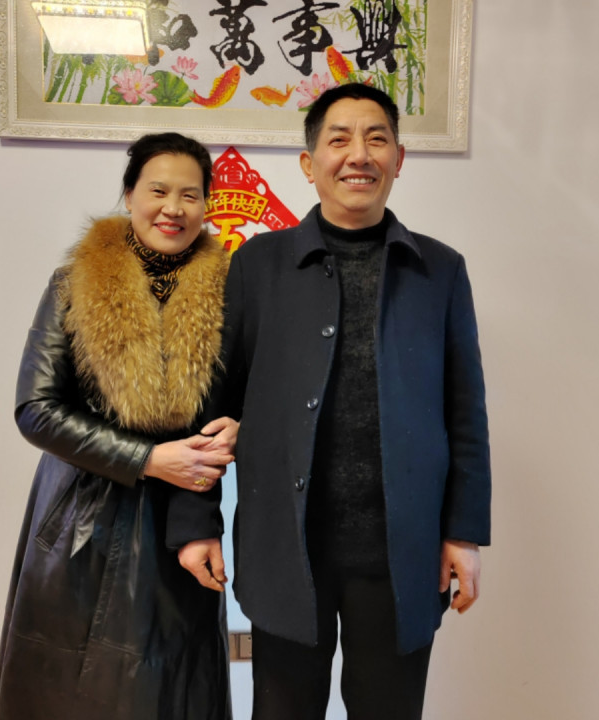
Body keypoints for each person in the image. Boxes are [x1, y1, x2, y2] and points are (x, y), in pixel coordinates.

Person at [172, 83, 491, 719]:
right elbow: (212, 403)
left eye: (377, 139)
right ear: (308, 162)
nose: (358, 155)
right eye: (338, 139)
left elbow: (465, 413)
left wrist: (463, 532)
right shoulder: (257, 265)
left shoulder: (440, 271)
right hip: (286, 548)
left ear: (399, 159)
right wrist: (196, 522)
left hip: (400, 551)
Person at [0, 132, 236, 720]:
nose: (173, 209)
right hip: (83, 522)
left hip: (181, 521)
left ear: (207, 205)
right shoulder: (74, 282)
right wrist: (147, 459)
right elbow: (36, 410)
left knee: (171, 690)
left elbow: (251, 394)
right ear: (129, 195)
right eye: (157, 191)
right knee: (73, 692)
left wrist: (240, 428)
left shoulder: (232, 291)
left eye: (190, 195)